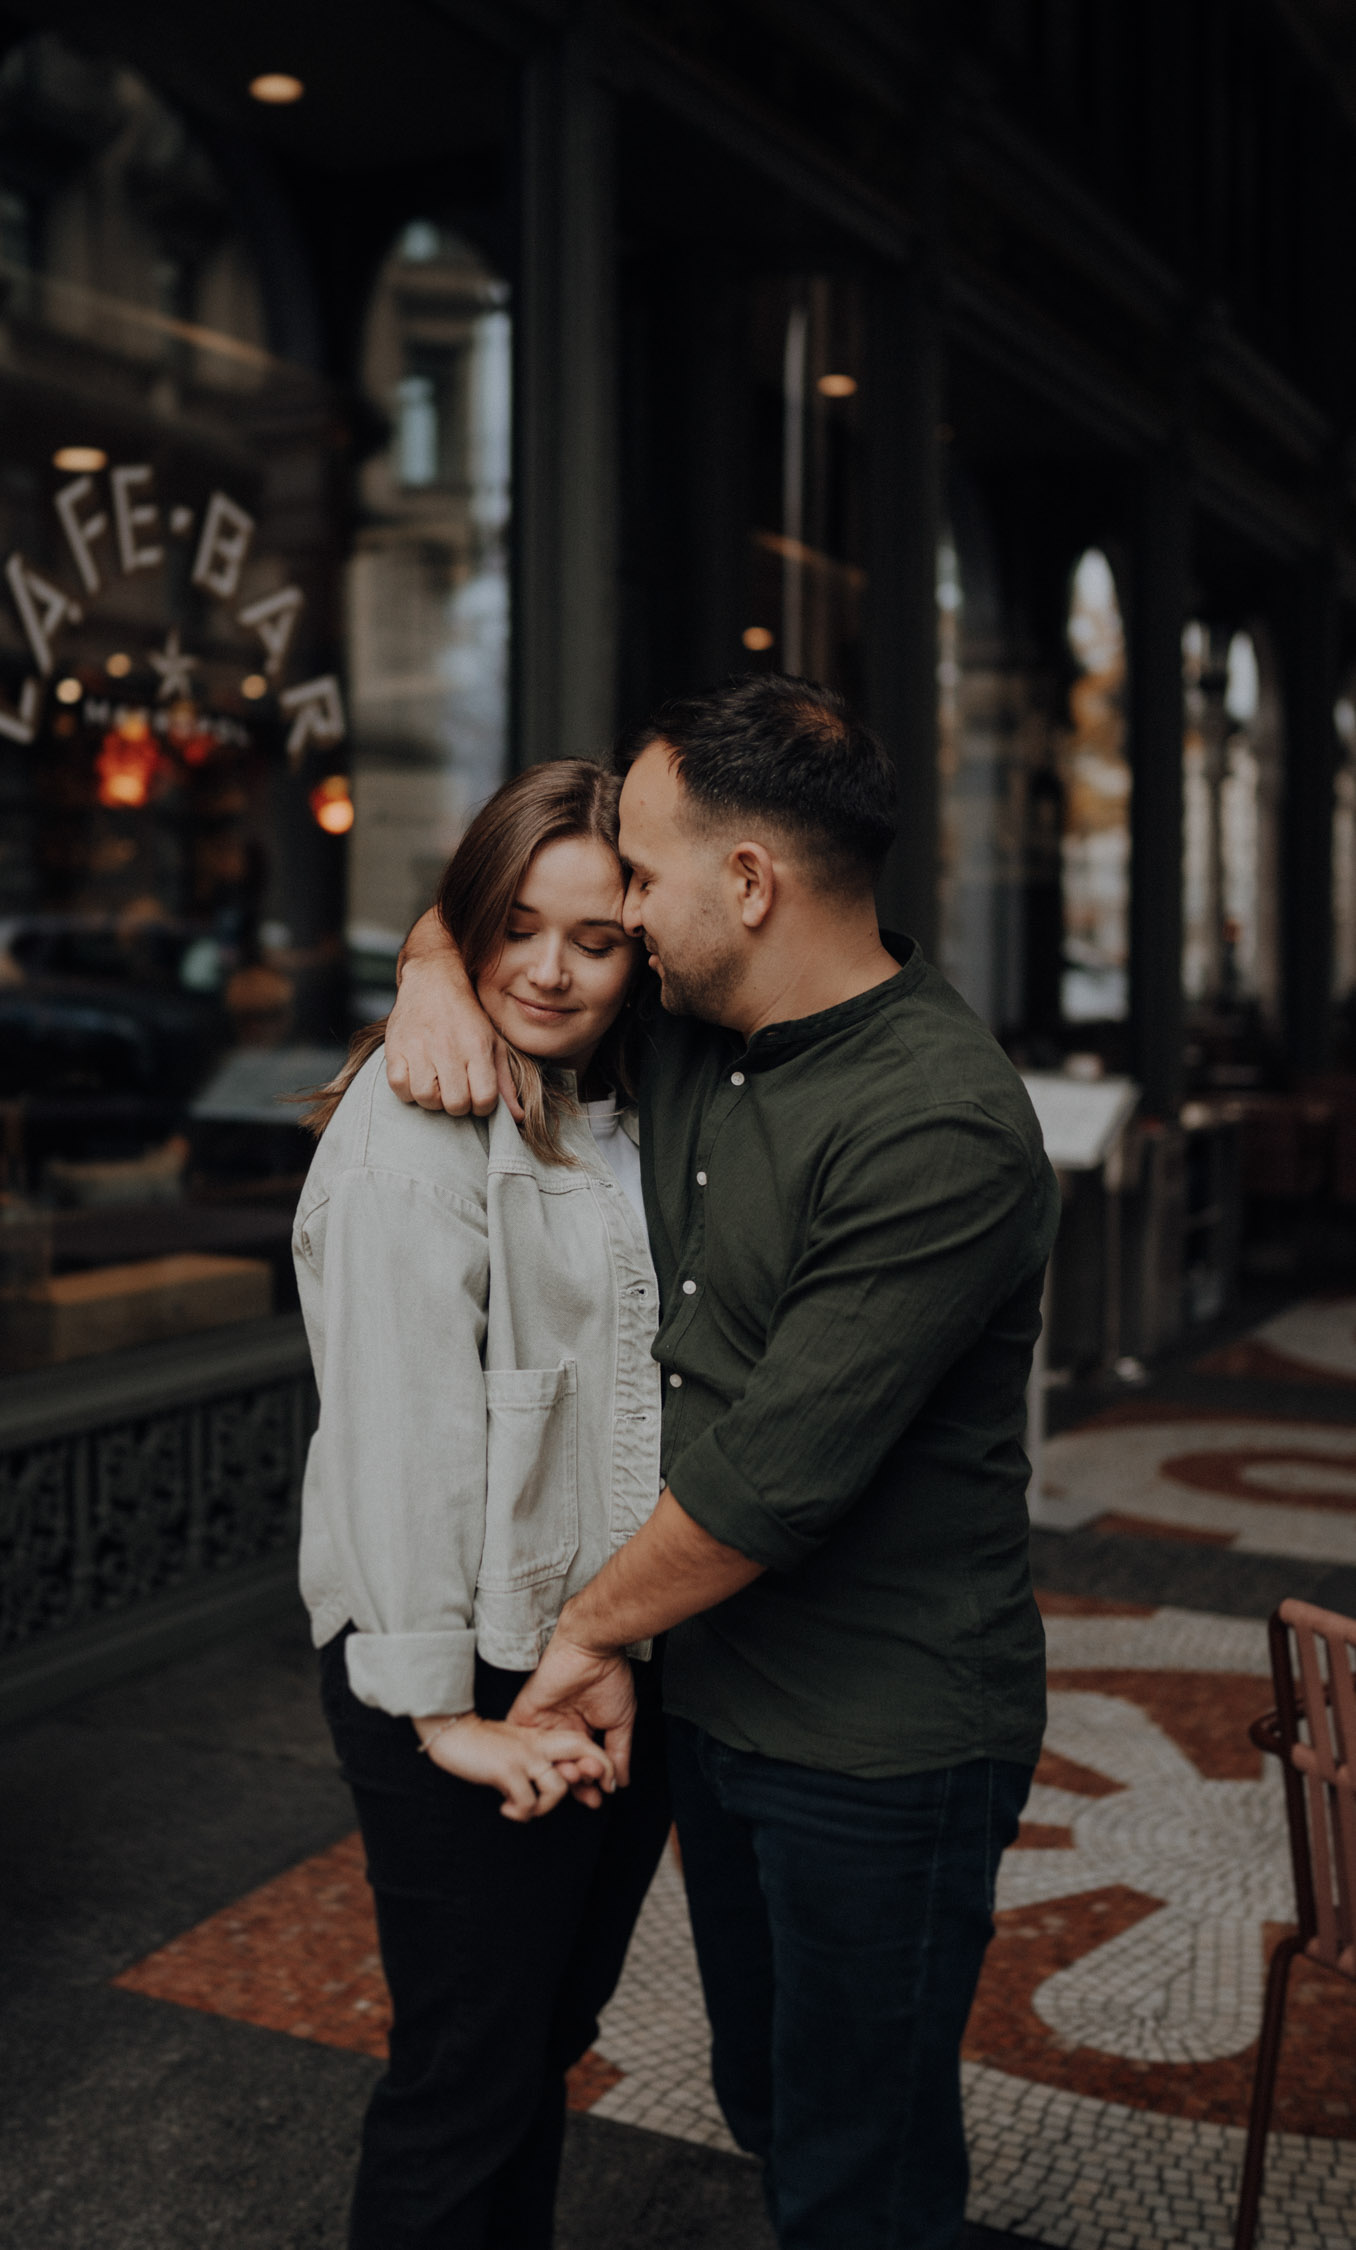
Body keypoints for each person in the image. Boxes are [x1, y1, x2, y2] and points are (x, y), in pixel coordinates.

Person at [386, 674, 1060, 2250]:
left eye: (641, 869)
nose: (621, 903)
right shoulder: (696, 1033)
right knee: (769, 2094)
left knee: (861, 2170)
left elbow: (774, 1481)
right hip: (725, 1706)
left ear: (747, 885)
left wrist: (582, 1634)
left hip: (885, 1735)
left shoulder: (939, 1122)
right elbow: (517, 940)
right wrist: (431, 957)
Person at [294, 759, 672, 2250]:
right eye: (514, 927)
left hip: (587, 1651)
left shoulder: (608, 1100)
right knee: (463, 2078)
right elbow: (399, 1445)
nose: (552, 970)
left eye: (596, 937)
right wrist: (439, 1708)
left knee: (528, 2053)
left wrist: (617, 1641)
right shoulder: (411, 1130)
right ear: (470, 920)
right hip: (447, 1664)